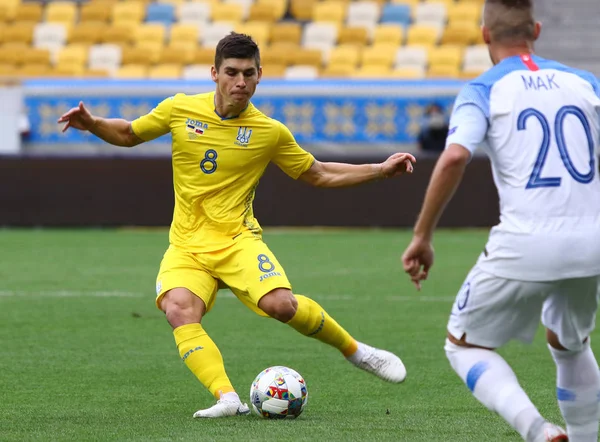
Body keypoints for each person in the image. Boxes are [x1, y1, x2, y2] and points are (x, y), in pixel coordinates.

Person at [58, 33, 415, 419]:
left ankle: (357, 352)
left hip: (237, 240)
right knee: (179, 309)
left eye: (248, 73)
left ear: (260, 75)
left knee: (281, 305)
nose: (240, 82)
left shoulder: (269, 132)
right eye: (231, 72)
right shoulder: (180, 109)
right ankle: (227, 398)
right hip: (188, 245)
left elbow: (319, 173)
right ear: (214, 73)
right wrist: (92, 123)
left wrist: (380, 169)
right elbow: (128, 134)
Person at [401, 0, 600, 441]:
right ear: (537, 29)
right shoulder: (586, 83)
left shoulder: (483, 89)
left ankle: (538, 432)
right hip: (591, 241)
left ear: (485, 35)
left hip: (527, 239)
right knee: (569, 344)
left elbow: (454, 155)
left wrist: (422, 235)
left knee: (463, 344)